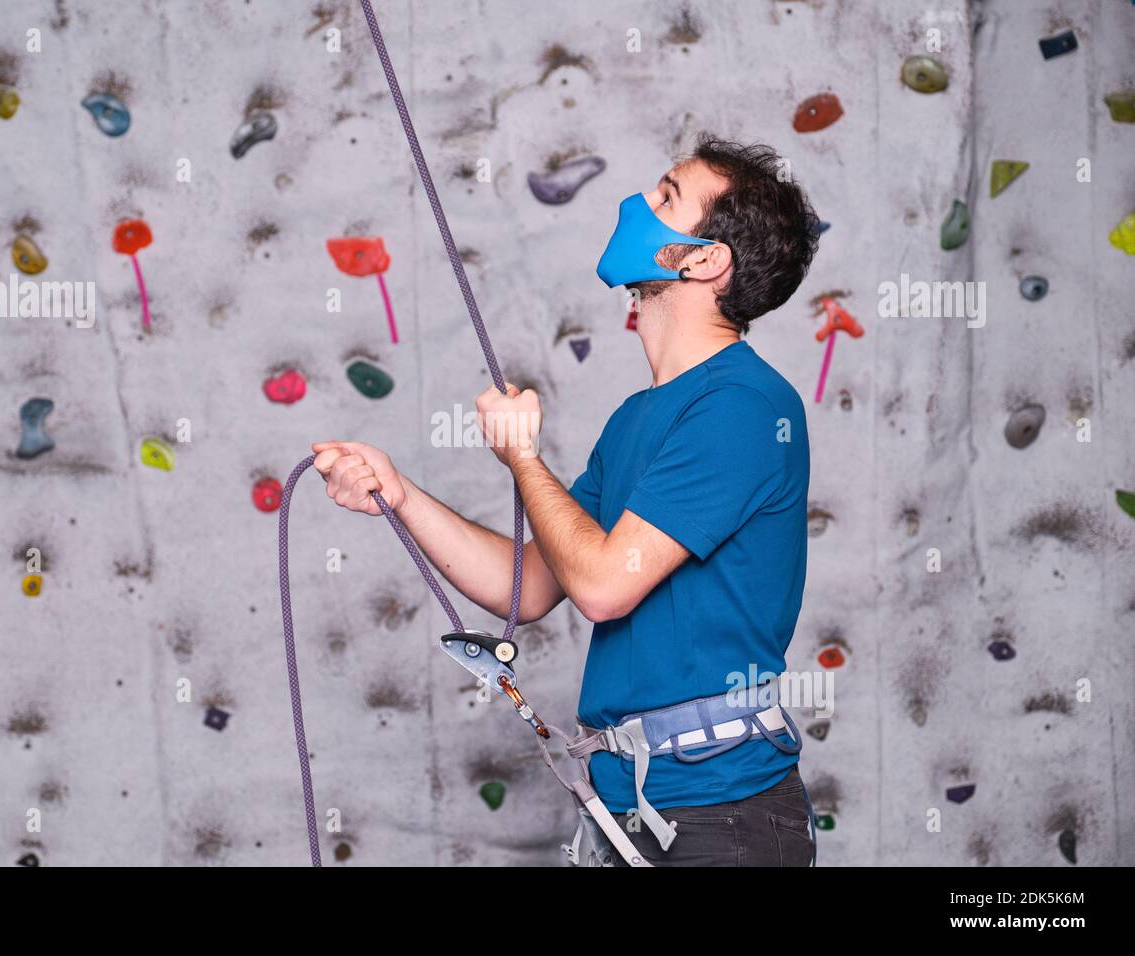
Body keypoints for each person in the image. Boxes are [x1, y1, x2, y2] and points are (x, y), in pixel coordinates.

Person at [312, 134, 820, 866]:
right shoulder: (636, 419)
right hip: (628, 808)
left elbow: (604, 588)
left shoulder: (742, 405)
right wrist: (401, 494)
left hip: (723, 819)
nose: (639, 203)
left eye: (667, 196)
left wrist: (521, 458)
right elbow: (529, 583)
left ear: (705, 259)